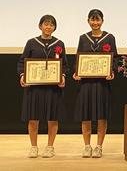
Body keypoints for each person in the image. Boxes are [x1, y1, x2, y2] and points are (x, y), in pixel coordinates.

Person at [18, 15, 68, 158]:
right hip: (35, 87)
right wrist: (23, 75)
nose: (48, 27)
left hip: (53, 88)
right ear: (40, 26)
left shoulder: (59, 44)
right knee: (33, 118)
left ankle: (50, 147)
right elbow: (22, 62)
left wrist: (62, 76)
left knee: (53, 117)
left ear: (54, 27)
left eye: (51, 25)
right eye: (45, 24)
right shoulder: (31, 43)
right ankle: (34, 147)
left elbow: (64, 65)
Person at [73, 9, 118, 158]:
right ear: (88, 21)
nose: (95, 23)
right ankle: (87, 146)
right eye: (92, 20)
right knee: (85, 115)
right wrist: (76, 72)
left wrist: (111, 71)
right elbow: (78, 58)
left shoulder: (109, 37)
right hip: (86, 84)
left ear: (102, 21)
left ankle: (99, 146)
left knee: (101, 115)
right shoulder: (83, 38)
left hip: (102, 84)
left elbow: (115, 59)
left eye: (98, 20)